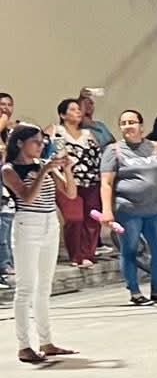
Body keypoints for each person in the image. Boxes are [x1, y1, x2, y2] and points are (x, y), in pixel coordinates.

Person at [6, 121, 75, 364]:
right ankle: (24, 345)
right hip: (28, 224)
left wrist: (66, 169)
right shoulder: (10, 169)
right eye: (35, 141)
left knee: (44, 286)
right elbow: (27, 197)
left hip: (49, 223)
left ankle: (46, 341)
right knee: (26, 287)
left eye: (42, 141)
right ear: (19, 143)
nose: (40, 145)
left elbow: (70, 193)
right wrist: (44, 171)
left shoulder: (43, 164)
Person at [100, 108, 157, 306]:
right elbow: (106, 183)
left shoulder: (154, 149)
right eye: (123, 123)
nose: (128, 126)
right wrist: (107, 210)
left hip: (154, 210)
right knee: (130, 250)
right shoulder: (114, 151)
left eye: (132, 122)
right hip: (128, 210)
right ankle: (134, 291)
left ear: (141, 125)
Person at [50, 97, 102, 268]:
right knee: (74, 218)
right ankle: (75, 254)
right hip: (67, 181)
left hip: (91, 180)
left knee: (92, 218)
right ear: (62, 114)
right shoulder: (55, 131)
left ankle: (88, 254)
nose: (78, 112)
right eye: (73, 109)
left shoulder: (88, 134)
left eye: (79, 109)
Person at [0, 92, 14, 287]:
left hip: (8, 187)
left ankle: (6, 265)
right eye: (1, 104)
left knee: (6, 228)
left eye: (9, 105)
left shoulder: (12, 132)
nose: (5, 108)